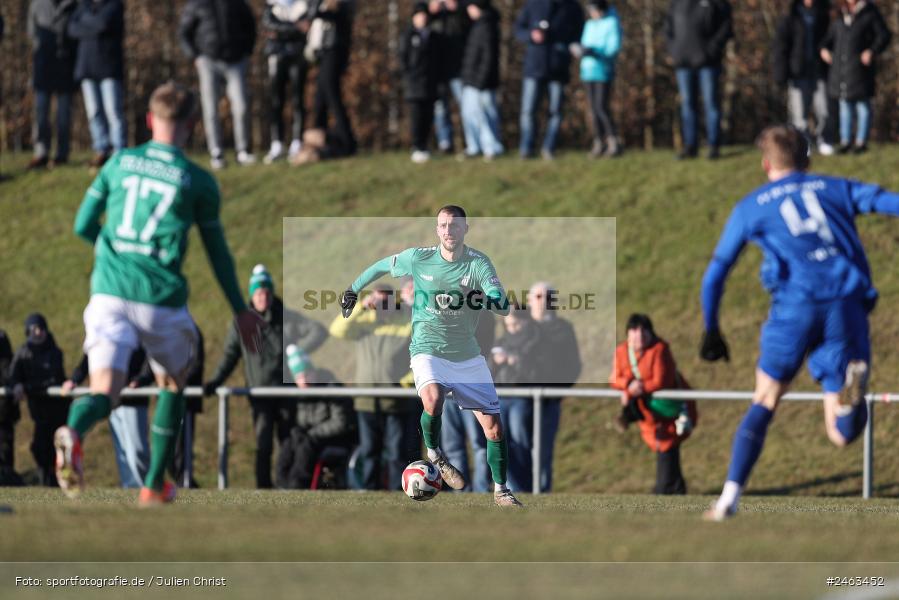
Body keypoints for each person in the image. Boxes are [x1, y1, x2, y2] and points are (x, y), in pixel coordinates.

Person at [54, 81, 262, 506]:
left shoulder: (118, 162)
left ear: (150, 120)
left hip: (108, 292)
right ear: (191, 125)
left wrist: (113, 251)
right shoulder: (198, 182)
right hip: (159, 299)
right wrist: (240, 309)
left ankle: (73, 432)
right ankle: (152, 486)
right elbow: (217, 253)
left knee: (104, 392)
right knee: (172, 382)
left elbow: (81, 225)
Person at [700, 124, 899, 521]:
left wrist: (711, 327)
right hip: (845, 303)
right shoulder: (834, 187)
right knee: (841, 435)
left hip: (795, 306)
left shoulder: (752, 206)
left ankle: (728, 499)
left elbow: (717, 271)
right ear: (806, 160)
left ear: (765, 164)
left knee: (766, 398)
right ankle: (850, 400)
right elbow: (884, 201)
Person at [338, 205, 523, 507]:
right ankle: (435, 455)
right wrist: (353, 289)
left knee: (495, 428)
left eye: (454, 225)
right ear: (437, 229)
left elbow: (501, 304)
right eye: (443, 225)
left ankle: (502, 490)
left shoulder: (478, 264)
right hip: (427, 349)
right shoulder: (420, 257)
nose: (448, 231)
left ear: (466, 229)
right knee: (433, 397)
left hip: (466, 355)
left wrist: (484, 298)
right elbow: (382, 265)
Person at [203, 264, 328, 489]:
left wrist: (296, 351)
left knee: (288, 441)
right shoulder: (242, 322)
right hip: (259, 395)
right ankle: (263, 487)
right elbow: (230, 355)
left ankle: (288, 486)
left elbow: (318, 331)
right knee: (263, 444)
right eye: (259, 293)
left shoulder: (285, 317)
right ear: (252, 295)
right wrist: (215, 381)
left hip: (286, 393)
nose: (264, 297)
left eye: (267, 292)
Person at [328, 284, 418, 491]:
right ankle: (368, 490)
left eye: (385, 302)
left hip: (396, 400)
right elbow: (336, 329)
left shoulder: (405, 322)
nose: (380, 306)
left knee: (396, 452)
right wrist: (360, 306)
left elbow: (425, 350)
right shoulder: (364, 324)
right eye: (377, 301)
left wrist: (406, 381)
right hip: (366, 400)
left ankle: (397, 491)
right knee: (369, 450)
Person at [610, 314, 696, 495]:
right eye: (634, 330)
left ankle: (664, 488)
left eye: (643, 330)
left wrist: (637, 389)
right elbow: (614, 378)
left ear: (651, 333)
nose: (639, 335)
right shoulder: (621, 352)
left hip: (668, 408)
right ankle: (675, 488)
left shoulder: (660, 350)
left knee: (667, 443)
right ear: (627, 333)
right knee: (662, 444)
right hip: (647, 410)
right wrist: (628, 387)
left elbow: (661, 380)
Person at [178, 0, 258, 170]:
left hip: (235, 61)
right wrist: (195, 57)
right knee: (210, 109)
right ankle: (216, 152)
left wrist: (246, 52)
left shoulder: (238, 3)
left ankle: (242, 150)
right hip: (208, 60)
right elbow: (184, 32)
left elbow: (250, 26)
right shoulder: (197, 4)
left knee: (241, 106)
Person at [63, 348, 150, 488]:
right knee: (122, 452)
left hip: (133, 400)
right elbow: (88, 359)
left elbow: (149, 358)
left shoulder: (134, 334)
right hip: (110, 398)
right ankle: (129, 487)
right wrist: (75, 379)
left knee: (136, 450)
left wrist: (141, 379)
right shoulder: (102, 335)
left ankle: (146, 487)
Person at [514, 0, 584, 160]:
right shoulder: (533, 4)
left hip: (558, 67)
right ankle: (526, 147)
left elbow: (579, 32)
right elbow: (518, 28)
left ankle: (549, 148)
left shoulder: (572, 7)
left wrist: (569, 46)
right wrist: (531, 35)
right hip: (534, 66)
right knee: (528, 111)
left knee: (556, 111)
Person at [820, 0, 891, 154]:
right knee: (845, 106)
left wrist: (872, 51)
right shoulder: (839, 13)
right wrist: (824, 49)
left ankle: (861, 142)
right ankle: (845, 142)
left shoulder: (870, 12)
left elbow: (884, 35)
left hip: (861, 69)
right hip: (841, 70)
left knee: (862, 106)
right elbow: (828, 39)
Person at [665, 0, 733, 160]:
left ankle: (714, 145)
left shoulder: (716, 3)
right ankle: (690, 146)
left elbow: (726, 27)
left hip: (708, 63)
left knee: (711, 104)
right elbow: (668, 28)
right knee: (687, 105)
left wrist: (711, 51)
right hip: (683, 63)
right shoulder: (677, 3)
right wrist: (675, 51)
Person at [292, 0, 357, 164]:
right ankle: (317, 140)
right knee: (320, 96)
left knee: (331, 93)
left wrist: (315, 14)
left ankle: (347, 141)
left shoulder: (341, 4)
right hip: (324, 51)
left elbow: (339, 15)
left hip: (336, 50)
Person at [276, 355, 355, 489]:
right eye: (299, 377)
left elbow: (341, 422)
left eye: (306, 374)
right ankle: (281, 485)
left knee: (306, 445)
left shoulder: (332, 389)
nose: (304, 380)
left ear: (314, 372)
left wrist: (312, 433)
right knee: (290, 442)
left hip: (337, 438)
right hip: (312, 436)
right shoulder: (300, 396)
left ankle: (298, 486)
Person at [67, 0, 127, 170]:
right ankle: (101, 149)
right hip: (86, 68)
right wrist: (91, 25)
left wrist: (85, 25)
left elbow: (103, 24)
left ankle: (118, 150)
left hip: (109, 67)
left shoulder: (114, 5)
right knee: (94, 112)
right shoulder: (82, 6)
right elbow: (72, 29)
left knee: (113, 111)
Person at [10, 314, 68, 486]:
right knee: (40, 449)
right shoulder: (23, 352)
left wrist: (26, 387)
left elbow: (53, 379)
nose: (38, 332)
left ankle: (59, 483)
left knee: (58, 450)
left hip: (57, 411)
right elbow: (13, 375)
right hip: (39, 413)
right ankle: (47, 484)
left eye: (41, 328)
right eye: (34, 329)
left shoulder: (54, 352)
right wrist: (16, 384)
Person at [773, 0, 834, 156]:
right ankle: (803, 143)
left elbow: (832, 40)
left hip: (820, 70)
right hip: (798, 72)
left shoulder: (824, 16)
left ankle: (824, 140)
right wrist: (781, 73)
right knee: (799, 113)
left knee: (824, 109)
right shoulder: (790, 18)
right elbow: (781, 47)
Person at [490, 305, 541, 493]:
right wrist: (494, 361)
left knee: (521, 444)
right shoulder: (501, 340)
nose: (511, 327)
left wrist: (515, 360)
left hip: (521, 397)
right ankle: (508, 487)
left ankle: (526, 487)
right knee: (500, 442)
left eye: (515, 323)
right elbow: (488, 369)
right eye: (508, 324)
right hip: (500, 397)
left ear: (525, 321)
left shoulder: (535, 341)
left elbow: (537, 372)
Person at [27, 0, 77, 170]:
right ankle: (41, 152)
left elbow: (76, 34)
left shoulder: (73, 5)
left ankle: (62, 154)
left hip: (66, 67)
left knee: (63, 116)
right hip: (42, 67)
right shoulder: (37, 4)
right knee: (40, 113)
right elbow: (32, 33)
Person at [262, 0, 311, 164]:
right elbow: (269, 25)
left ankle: (297, 142)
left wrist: (280, 30)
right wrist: (296, 27)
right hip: (277, 55)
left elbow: (307, 27)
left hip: (298, 55)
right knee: (276, 101)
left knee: (298, 99)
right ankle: (277, 143)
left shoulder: (304, 4)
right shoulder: (272, 5)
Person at [575, 0, 622, 158]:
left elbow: (613, 48)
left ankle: (613, 141)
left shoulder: (611, 23)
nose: (592, 13)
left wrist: (595, 52)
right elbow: (584, 42)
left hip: (603, 70)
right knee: (593, 109)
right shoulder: (589, 25)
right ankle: (598, 141)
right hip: (587, 70)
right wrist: (581, 50)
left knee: (601, 107)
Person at [459, 0, 503, 161]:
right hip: (471, 79)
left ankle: (492, 147)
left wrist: (481, 80)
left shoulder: (487, 26)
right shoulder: (478, 25)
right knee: (470, 114)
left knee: (486, 115)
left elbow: (488, 57)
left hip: (482, 82)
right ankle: (474, 146)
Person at [401, 3, 444, 164]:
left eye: (424, 15)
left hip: (430, 84)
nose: (422, 18)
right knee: (417, 117)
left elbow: (438, 62)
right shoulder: (408, 36)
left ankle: (425, 146)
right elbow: (403, 59)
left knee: (428, 116)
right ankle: (417, 146)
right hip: (414, 84)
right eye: (419, 15)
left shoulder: (434, 37)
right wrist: (409, 77)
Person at [429, 0, 469, 154]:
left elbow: (469, 24)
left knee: (466, 106)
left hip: (459, 65)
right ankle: (445, 143)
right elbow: (418, 21)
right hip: (437, 67)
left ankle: (471, 142)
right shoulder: (431, 9)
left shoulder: (461, 6)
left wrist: (457, 8)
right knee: (440, 108)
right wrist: (431, 10)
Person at [0, 329, 22, 486]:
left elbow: (7, 367)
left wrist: (14, 384)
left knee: (5, 448)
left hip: (3, 409)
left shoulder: (1, 338)